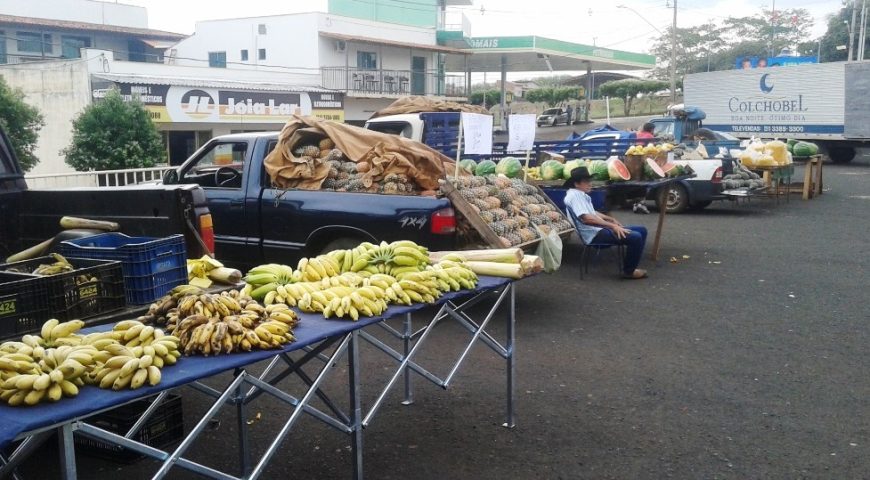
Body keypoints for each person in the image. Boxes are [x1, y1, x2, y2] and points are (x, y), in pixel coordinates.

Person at [564, 167, 648, 279]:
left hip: (599, 230)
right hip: (595, 235)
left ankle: (631, 266)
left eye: (590, 181)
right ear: (576, 184)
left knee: (642, 230)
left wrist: (610, 219)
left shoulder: (579, 194)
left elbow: (592, 212)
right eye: (586, 182)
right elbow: (587, 219)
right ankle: (629, 271)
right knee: (636, 237)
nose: (590, 184)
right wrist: (613, 226)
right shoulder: (575, 197)